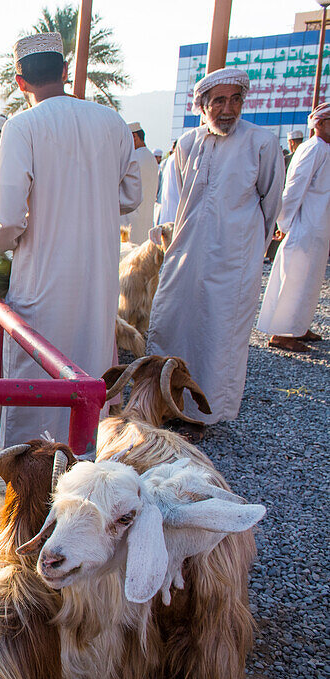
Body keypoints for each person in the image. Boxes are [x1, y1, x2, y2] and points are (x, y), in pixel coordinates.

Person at [0, 33, 141, 447]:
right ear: (65, 73)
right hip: (98, 279)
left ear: (20, 82)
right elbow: (131, 195)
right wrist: (89, 207)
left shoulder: (23, 126)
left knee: (39, 374)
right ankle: (84, 468)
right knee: (88, 366)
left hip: (44, 279)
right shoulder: (112, 122)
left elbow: (8, 217)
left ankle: (28, 477)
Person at [146, 68, 283, 438]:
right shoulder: (188, 144)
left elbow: (271, 205)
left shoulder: (261, 143)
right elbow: (172, 205)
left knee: (218, 336)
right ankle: (165, 403)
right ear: (202, 105)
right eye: (219, 100)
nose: (228, 109)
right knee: (175, 323)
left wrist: (251, 249)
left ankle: (202, 414)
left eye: (235, 99)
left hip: (233, 260)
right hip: (186, 254)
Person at [256, 103, 330, 352]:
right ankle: (281, 333)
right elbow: (293, 189)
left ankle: (298, 327)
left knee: (310, 280)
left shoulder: (325, 149)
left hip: (319, 227)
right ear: (319, 123)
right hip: (303, 226)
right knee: (294, 280)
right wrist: (284, 224)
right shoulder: (312, 149)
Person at [123, 122, 159, 243]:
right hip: (147, 215)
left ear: (134, 137)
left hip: (132, 216)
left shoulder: (135, 157)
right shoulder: (150, 157)